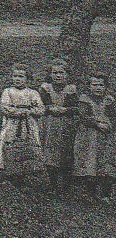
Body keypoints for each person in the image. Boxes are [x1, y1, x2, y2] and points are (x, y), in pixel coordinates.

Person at [0, 64, 47, 181]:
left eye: (21, 76)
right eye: (15, 76)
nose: (17, 79)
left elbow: (41, 109)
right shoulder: (8, 91)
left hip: (29, 124)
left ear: (27, 79)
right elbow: (4, 107)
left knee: (30, 143)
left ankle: (29, 170)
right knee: (9, 142)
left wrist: (29, 111)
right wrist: (18, 112)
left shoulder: (33, 93)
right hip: (12, 123)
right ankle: (9, 170)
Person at [72, 73, 113, 201]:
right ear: (89, 86)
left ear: (105, 87)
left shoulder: (109, 100)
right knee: (89, 162)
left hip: (106, 136)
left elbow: (113, 115)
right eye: (94, 85)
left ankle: (105, 194)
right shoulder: (84, 99)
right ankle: (90, 192)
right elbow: (83, 116)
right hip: (88, 136)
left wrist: (109, 125)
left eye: (101, 85)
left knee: (106, 162)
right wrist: (96, 124)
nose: (98, 88)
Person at [41, 59, 80, 191]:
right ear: (50, 74)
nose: (58, 75)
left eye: (61, 72)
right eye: (55, 72)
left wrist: (65, 110)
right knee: (50, 151)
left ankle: (66, 184)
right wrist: (49, 108)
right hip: (49, 124)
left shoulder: (71, 90)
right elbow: (39, 105)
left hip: (66, 125)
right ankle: (52, 182)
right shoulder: (45, 88)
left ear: (67, 74)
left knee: (66, 151)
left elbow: (76, 108)